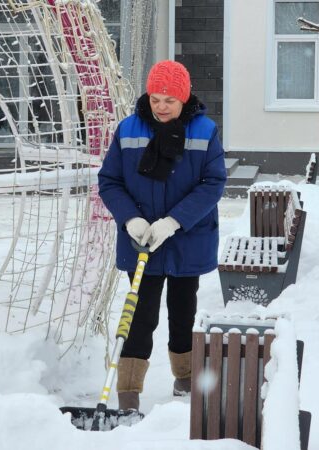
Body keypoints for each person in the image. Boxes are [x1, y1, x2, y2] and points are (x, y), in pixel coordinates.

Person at [98, 60, 227, 411]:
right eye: (156, 98)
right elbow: (110, 180)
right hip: (142, 240)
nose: (161, 106)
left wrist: (173, 221)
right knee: (140, 315)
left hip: (187, 237)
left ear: (184, 98)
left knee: (182, 311)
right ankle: (128, 393)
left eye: (169, 99)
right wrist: (130, 220)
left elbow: (213, 182)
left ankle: (185, 380)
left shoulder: (204, 131)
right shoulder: (128, 130)